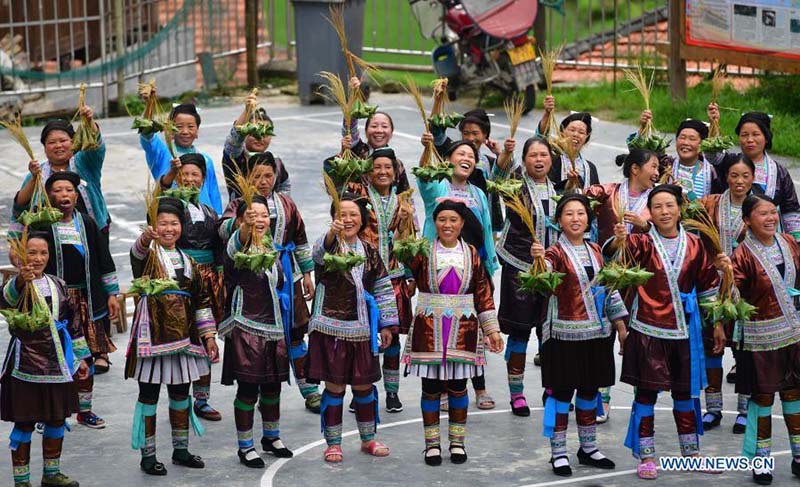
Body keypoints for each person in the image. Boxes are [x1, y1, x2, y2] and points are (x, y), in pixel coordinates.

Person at [605, 184, 724, 480]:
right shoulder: (641, 243)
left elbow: (709, 288)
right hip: (648, 330)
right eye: (657, 207)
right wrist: (619, 242)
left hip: (685, 331)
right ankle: (645, 454)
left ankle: (691, 453)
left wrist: (718, 323)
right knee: (646, 395)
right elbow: (614, 264)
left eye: (669, 205)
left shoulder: (695, 246)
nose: (664, 212)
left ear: (680, 209)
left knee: (685, 395)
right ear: (650, 213)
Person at [400, 198, 504, 466]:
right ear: (435, 223)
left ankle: (457, 443)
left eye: (453, 220)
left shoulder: (471, 253)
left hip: (464, 328)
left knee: (459, 388)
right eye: (442, 220)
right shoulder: (423, 250)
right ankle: (431, 445)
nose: (447, 225)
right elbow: (402, 255)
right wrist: (404, 221)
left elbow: (483, 292)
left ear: (462, 224)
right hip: (429, 327)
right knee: (431, 388)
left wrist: (491, 330)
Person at [531, 194, 628, 477]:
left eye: (581, 213)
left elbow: (609, 288)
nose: (576, 218)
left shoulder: (596, 250)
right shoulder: (553, 253)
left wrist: (621, 326)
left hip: (597, 335)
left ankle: (588, 448)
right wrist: (538, 262)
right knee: (562, 395)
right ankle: (558, 453)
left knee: (589, 392)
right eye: (569, 214)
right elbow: (543, 277)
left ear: (588, 219)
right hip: (563, 336)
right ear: (558, 220)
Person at [219, 152, 319, 412]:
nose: (264, 181)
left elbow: (300, 237)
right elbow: (221, 229)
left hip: (287, 273)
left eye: (268, 176)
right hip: (254, 281)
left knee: (296, 333)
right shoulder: (240, 204)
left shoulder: (287, 203)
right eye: (257, 176)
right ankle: (261, 387)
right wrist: (241, 224)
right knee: (261, 338)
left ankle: (310, 390)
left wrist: (307, 274)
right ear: (247, 177)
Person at [126, 197, 219, 476]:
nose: (169, 228)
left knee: (181, 394)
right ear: (153, 226)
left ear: (183, 226)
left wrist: (209, 336)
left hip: (184, 337)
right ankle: (148, 455)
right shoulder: (148, 256)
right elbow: (138, 251)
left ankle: (181, 450)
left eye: (174, 223)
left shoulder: (189, 262)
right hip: (153, 335)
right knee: (149, 395)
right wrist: (146, 237)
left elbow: (202, 301)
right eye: (162, 223)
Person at [307, 194, 399, 463]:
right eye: (342, 215)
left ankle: (368, 438)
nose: (347, 220)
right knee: (334, 388)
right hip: (331, 329)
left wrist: (386, 325)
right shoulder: (328, 246)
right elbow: (318, 256)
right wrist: (330, 234)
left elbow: (383, 288)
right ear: (334, 218)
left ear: (362, 220)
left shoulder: (370, 251)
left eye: (353, 215)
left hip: (363, 330)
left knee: (364, 387)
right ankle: (333, 443)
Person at [1, 231, 91, 487]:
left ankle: (51, 474)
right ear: (21, 255)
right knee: (25, 422)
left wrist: (82, 358)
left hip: (58, 363)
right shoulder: (16, 284)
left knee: (56, 419)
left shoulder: (58, 283)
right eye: (32, 253)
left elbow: (73, 322)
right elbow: (4, 300)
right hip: (26, 364)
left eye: (43, 253)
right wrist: (20, 281)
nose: (38, 258)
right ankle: (22, 481)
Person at [416, 137, 501, 408]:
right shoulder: (439, 185)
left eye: (472, 155)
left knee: (472, 328)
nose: (467, 158)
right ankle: (440, 388)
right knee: (440, 327)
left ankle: (480, 387)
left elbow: (487, 228)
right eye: (461, 153)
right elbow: (424, 179)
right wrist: (427, 149)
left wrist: (489, 266)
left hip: (473, 268)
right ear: (448, 159)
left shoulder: (477, 193)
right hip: (441, 267)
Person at [729, 194, 800, 485]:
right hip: (759, 339)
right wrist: (726, 277)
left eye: (773, 212)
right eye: (762, 213)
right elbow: (732, 300)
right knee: (763, 398)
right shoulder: (741, 255)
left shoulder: (789, 243)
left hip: (793, 334)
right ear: (747, 220)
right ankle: (761, 461)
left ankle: (798, 456)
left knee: (794, 394)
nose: (770, 218)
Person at [219, 195, 294, 468]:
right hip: (246, 326)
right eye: (252, 215)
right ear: (241, 220)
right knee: (249, 388)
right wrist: (245, 228)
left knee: (273, 386)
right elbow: (236, 242)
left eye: (264, 215)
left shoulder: (272, 248)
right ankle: (245, 446)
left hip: (273, 327)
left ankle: (271, 437)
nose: (260, 220)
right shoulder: (236, 247)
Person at [41, 171, 119, 430]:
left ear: (76, 195)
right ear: (49, 196)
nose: (64, 195)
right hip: (54, 302)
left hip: (87, 301)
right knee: (55, 358)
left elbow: (103, 259)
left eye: (68, 190)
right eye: (57, 190)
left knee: (86, 356)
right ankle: (51, 413)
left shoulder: (86, 223)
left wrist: (111, 294)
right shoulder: (42, 226)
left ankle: (84, 410)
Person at [346, 147, 416, 413]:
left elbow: (410, 242)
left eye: (388, 167)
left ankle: (393, 392)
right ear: (368, 171)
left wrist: (410, 274)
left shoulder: (404, 202)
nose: (383, 172)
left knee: (392, 338)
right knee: (363, 338)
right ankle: (361, 390)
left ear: (396, 171)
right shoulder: (359, 200)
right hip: (363, 277)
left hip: (395, 278)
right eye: (377, 167)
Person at [159, 154, 225, 421]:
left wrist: (220, 278)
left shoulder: (209, 211)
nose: (190, 179)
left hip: (208, 280)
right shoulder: (172, 208)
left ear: (203, 178)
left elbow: (219, 248)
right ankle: (179, 397)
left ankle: (202, 398)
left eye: (195, 174)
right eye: (184, 174)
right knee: (183, 337)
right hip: (181, 278)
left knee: (205, 336)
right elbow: (157, 205)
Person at [496, 136, 559, 416]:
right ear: (524, 161)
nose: (539, 160)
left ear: (551, 159)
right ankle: (517, 394)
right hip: (519, 268)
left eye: (543, 155)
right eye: (532, 155)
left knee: (549, 333)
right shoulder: (515, 188)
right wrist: (504, 157)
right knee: (520, 332)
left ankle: (551, 389)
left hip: (551, 272)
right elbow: (496, 180)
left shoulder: (561, 191)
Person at [695, 156, 757, 433]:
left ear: (753, 178)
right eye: (734, 175)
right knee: (713, 349)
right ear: (726, 177)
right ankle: (714, 408)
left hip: (748, 288)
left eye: (745, 175)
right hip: (713, 285)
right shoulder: (710, 203)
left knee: (745, 352)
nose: (739, 181)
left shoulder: (760, 207)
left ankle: (745, 410)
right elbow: (689, 225)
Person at [12, 113, 111, 245]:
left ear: (73, 141)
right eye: (52, 142)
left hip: (92, 234)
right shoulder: (36, 173)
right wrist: (15, 243)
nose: (58, 145)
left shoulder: (85, 163)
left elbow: (96, 148)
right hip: (51, 241)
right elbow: (20, 208)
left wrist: (89, 121)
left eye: (63, 141)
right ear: (45, 147)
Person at [706, 107, 800, 240]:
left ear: (766, 138)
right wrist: (714, 123)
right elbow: (712, 155)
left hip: (767, 238)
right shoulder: (729, 162)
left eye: (756, 134)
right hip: (731, 236)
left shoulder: (779, 172)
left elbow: (790, 209)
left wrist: (796, 241)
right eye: (744, 135)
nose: (750, 140)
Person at [432, 107, 512, 231]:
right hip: (452, 222)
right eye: (466, 133)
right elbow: (436, 130)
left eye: (475, 133)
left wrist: (500, 153)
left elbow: (510, 176)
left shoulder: (491, 163)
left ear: (485, 135)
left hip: (483, 224)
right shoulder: (451, 153)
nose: (470, 138)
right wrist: (438, 100)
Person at [138, 97, 222, 213]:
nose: (185, 131)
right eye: (179, 127)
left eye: (191, 127)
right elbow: (147, 134)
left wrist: (218, 219)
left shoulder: (206, 160)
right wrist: (150, 104)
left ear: (197, 131)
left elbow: (214, 194)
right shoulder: (162, 153)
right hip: (172, 220)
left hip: (203, 221)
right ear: (170, 130)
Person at [331, 77, 410, 193]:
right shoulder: (357, 152)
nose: (379, 130)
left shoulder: (396, 164)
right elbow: (350, 128)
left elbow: (405, 195)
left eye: (384, 126)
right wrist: (354, 97)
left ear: (392, 132)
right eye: (374, 126)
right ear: (366, 131)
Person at [222, 92, 290, 199]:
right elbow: (234, 140)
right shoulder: (236, 159)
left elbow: (284, 186)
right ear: (245, 132)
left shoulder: (276, 162)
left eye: (265, 134)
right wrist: (247, 110)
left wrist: (277, 206)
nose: (260, 138)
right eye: (254, 133)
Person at [640, 113, 716, 201]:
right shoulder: (664, 165)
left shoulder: (712, 173)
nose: (686, 143)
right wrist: (643, 128)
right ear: (676, 141)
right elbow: (641, 157)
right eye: (682, 137)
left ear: (702, 144)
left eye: (692, 139)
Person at [536, 95, 600, 190]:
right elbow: (541, 138)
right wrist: (547, 113)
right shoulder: (551, 158)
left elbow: (596, 197)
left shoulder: (591, 168)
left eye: (581, 132)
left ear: (586, 139)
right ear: (562, 132)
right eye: (572, 130)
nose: (576, 134)